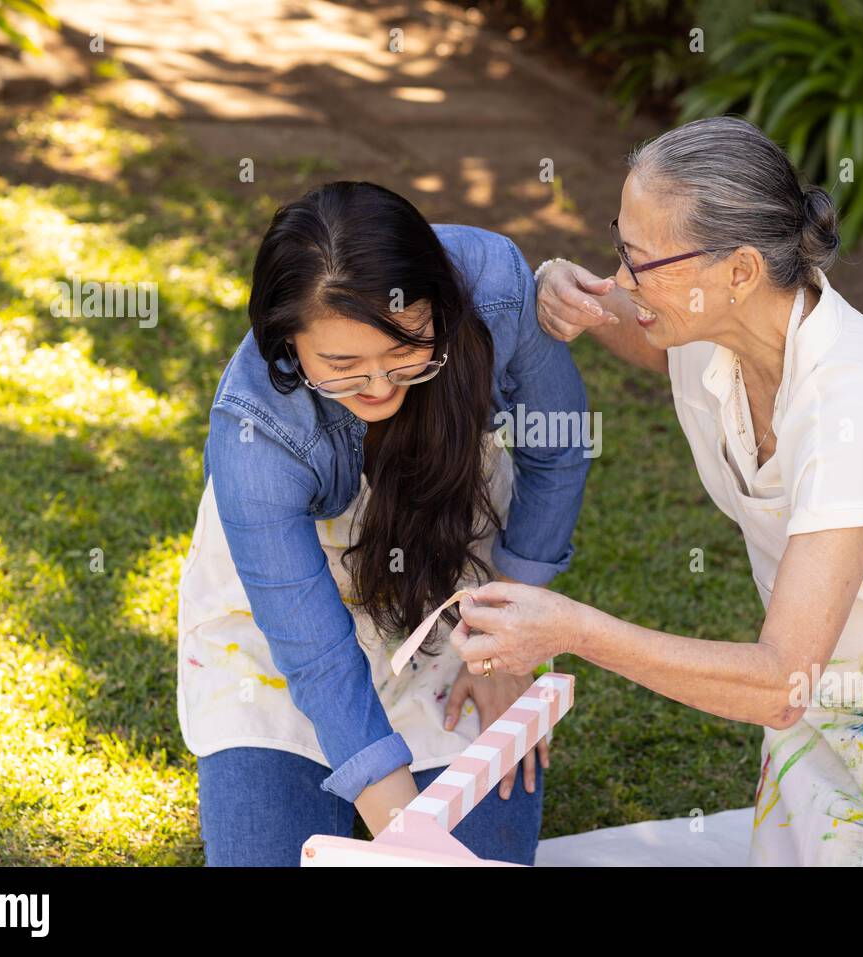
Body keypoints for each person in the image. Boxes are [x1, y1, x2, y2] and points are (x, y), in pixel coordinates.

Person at [451, 116, 863, 866]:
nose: (623, 280)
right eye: (620, 247)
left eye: (640, 262)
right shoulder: (714, 331)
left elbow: (779, 684)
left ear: (740, 271)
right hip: (818, 673)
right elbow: (629, 318)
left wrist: (574, 630)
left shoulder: (853, 407)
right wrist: (562, 281)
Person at [176, 181, 591, 865]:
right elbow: (318, 657)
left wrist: (501, 641)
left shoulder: (493, 289)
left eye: (405, 351)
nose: (378, 387)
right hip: (285, 637)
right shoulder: (252, 437)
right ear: (287, 344)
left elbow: (560, 445)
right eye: (342, 366)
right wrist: (404, 829)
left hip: (453, 594)